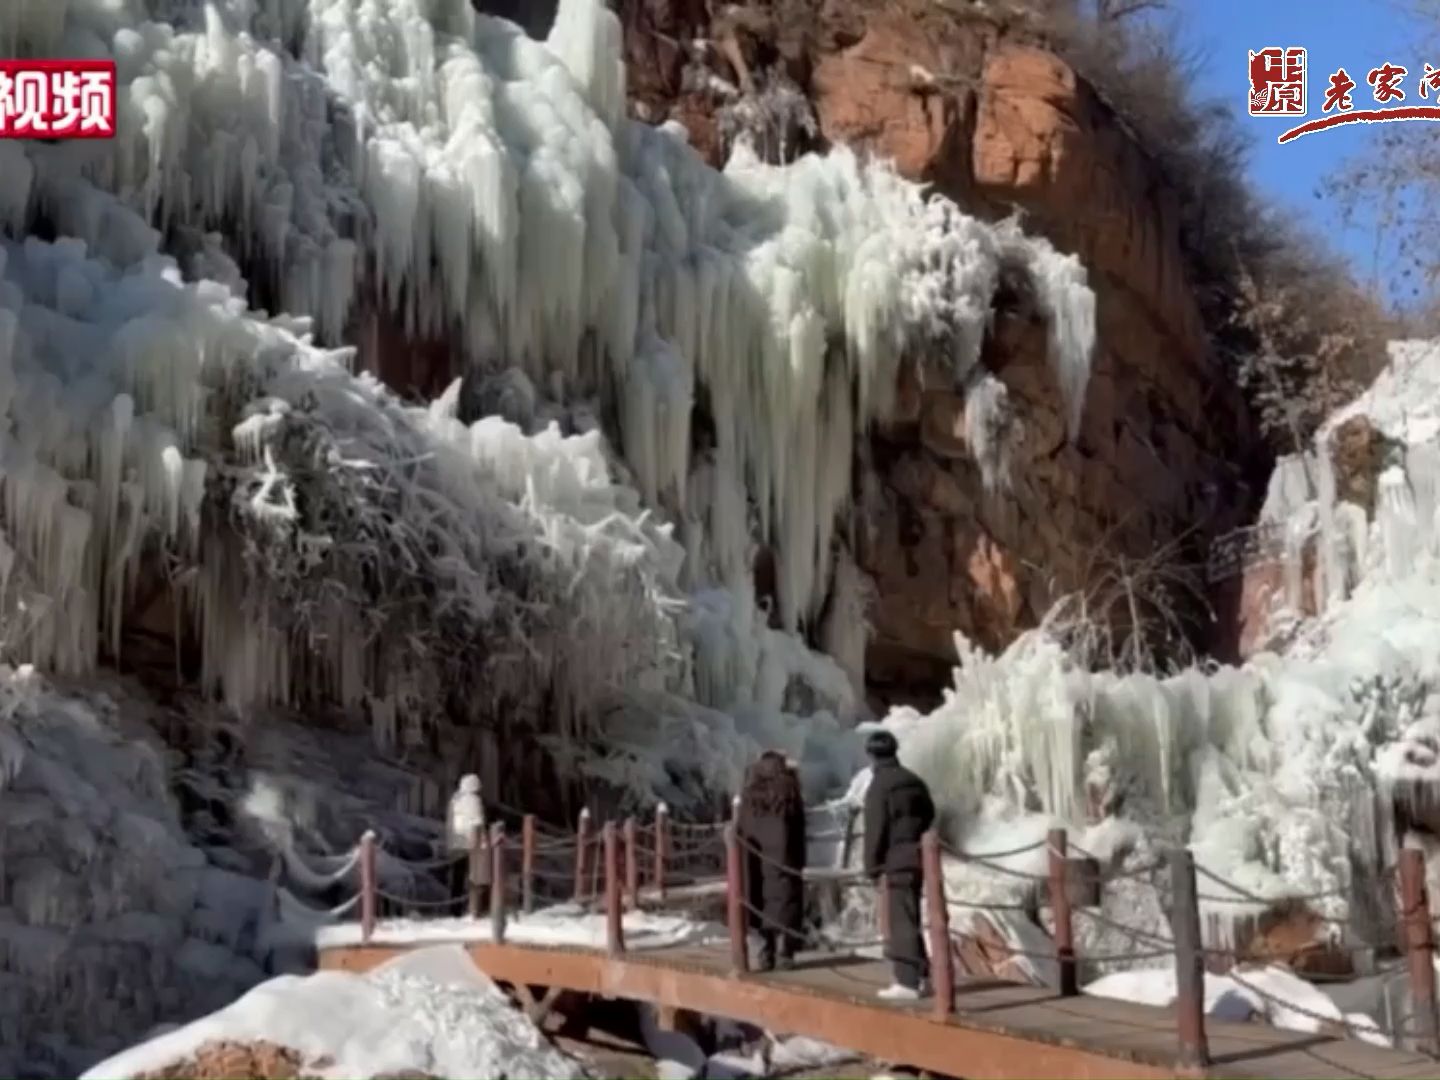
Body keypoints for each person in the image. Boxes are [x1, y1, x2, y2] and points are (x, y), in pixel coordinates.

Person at [862, 729, 936, 1001]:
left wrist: (871, 866)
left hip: (896, 859)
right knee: (912, 915)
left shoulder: (880, 786)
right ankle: (923, 976)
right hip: (918, 855)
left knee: (900, 920)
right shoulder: (914, 781)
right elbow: (930, 813)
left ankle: (906, 981)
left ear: (871, 755)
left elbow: (875, 829)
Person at [738, 750, 807, 971]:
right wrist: (800, 859)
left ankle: (766, 952)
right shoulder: (789, 790)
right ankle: (786, 951)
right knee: (787, 900)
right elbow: (799, 827)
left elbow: (742, 828)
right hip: (785, 857)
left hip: (756, 857)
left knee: (760, 901)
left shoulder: (749, 792)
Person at [447, 774, 489, 915]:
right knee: (475, 876)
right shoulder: (474, 800)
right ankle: (474, 908)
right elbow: (477, 822)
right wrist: (483, 842)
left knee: (457, 878)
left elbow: (450, 824)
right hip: (472, 844)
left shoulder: (455, 799)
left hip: (456, 844)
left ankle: (455, 909)